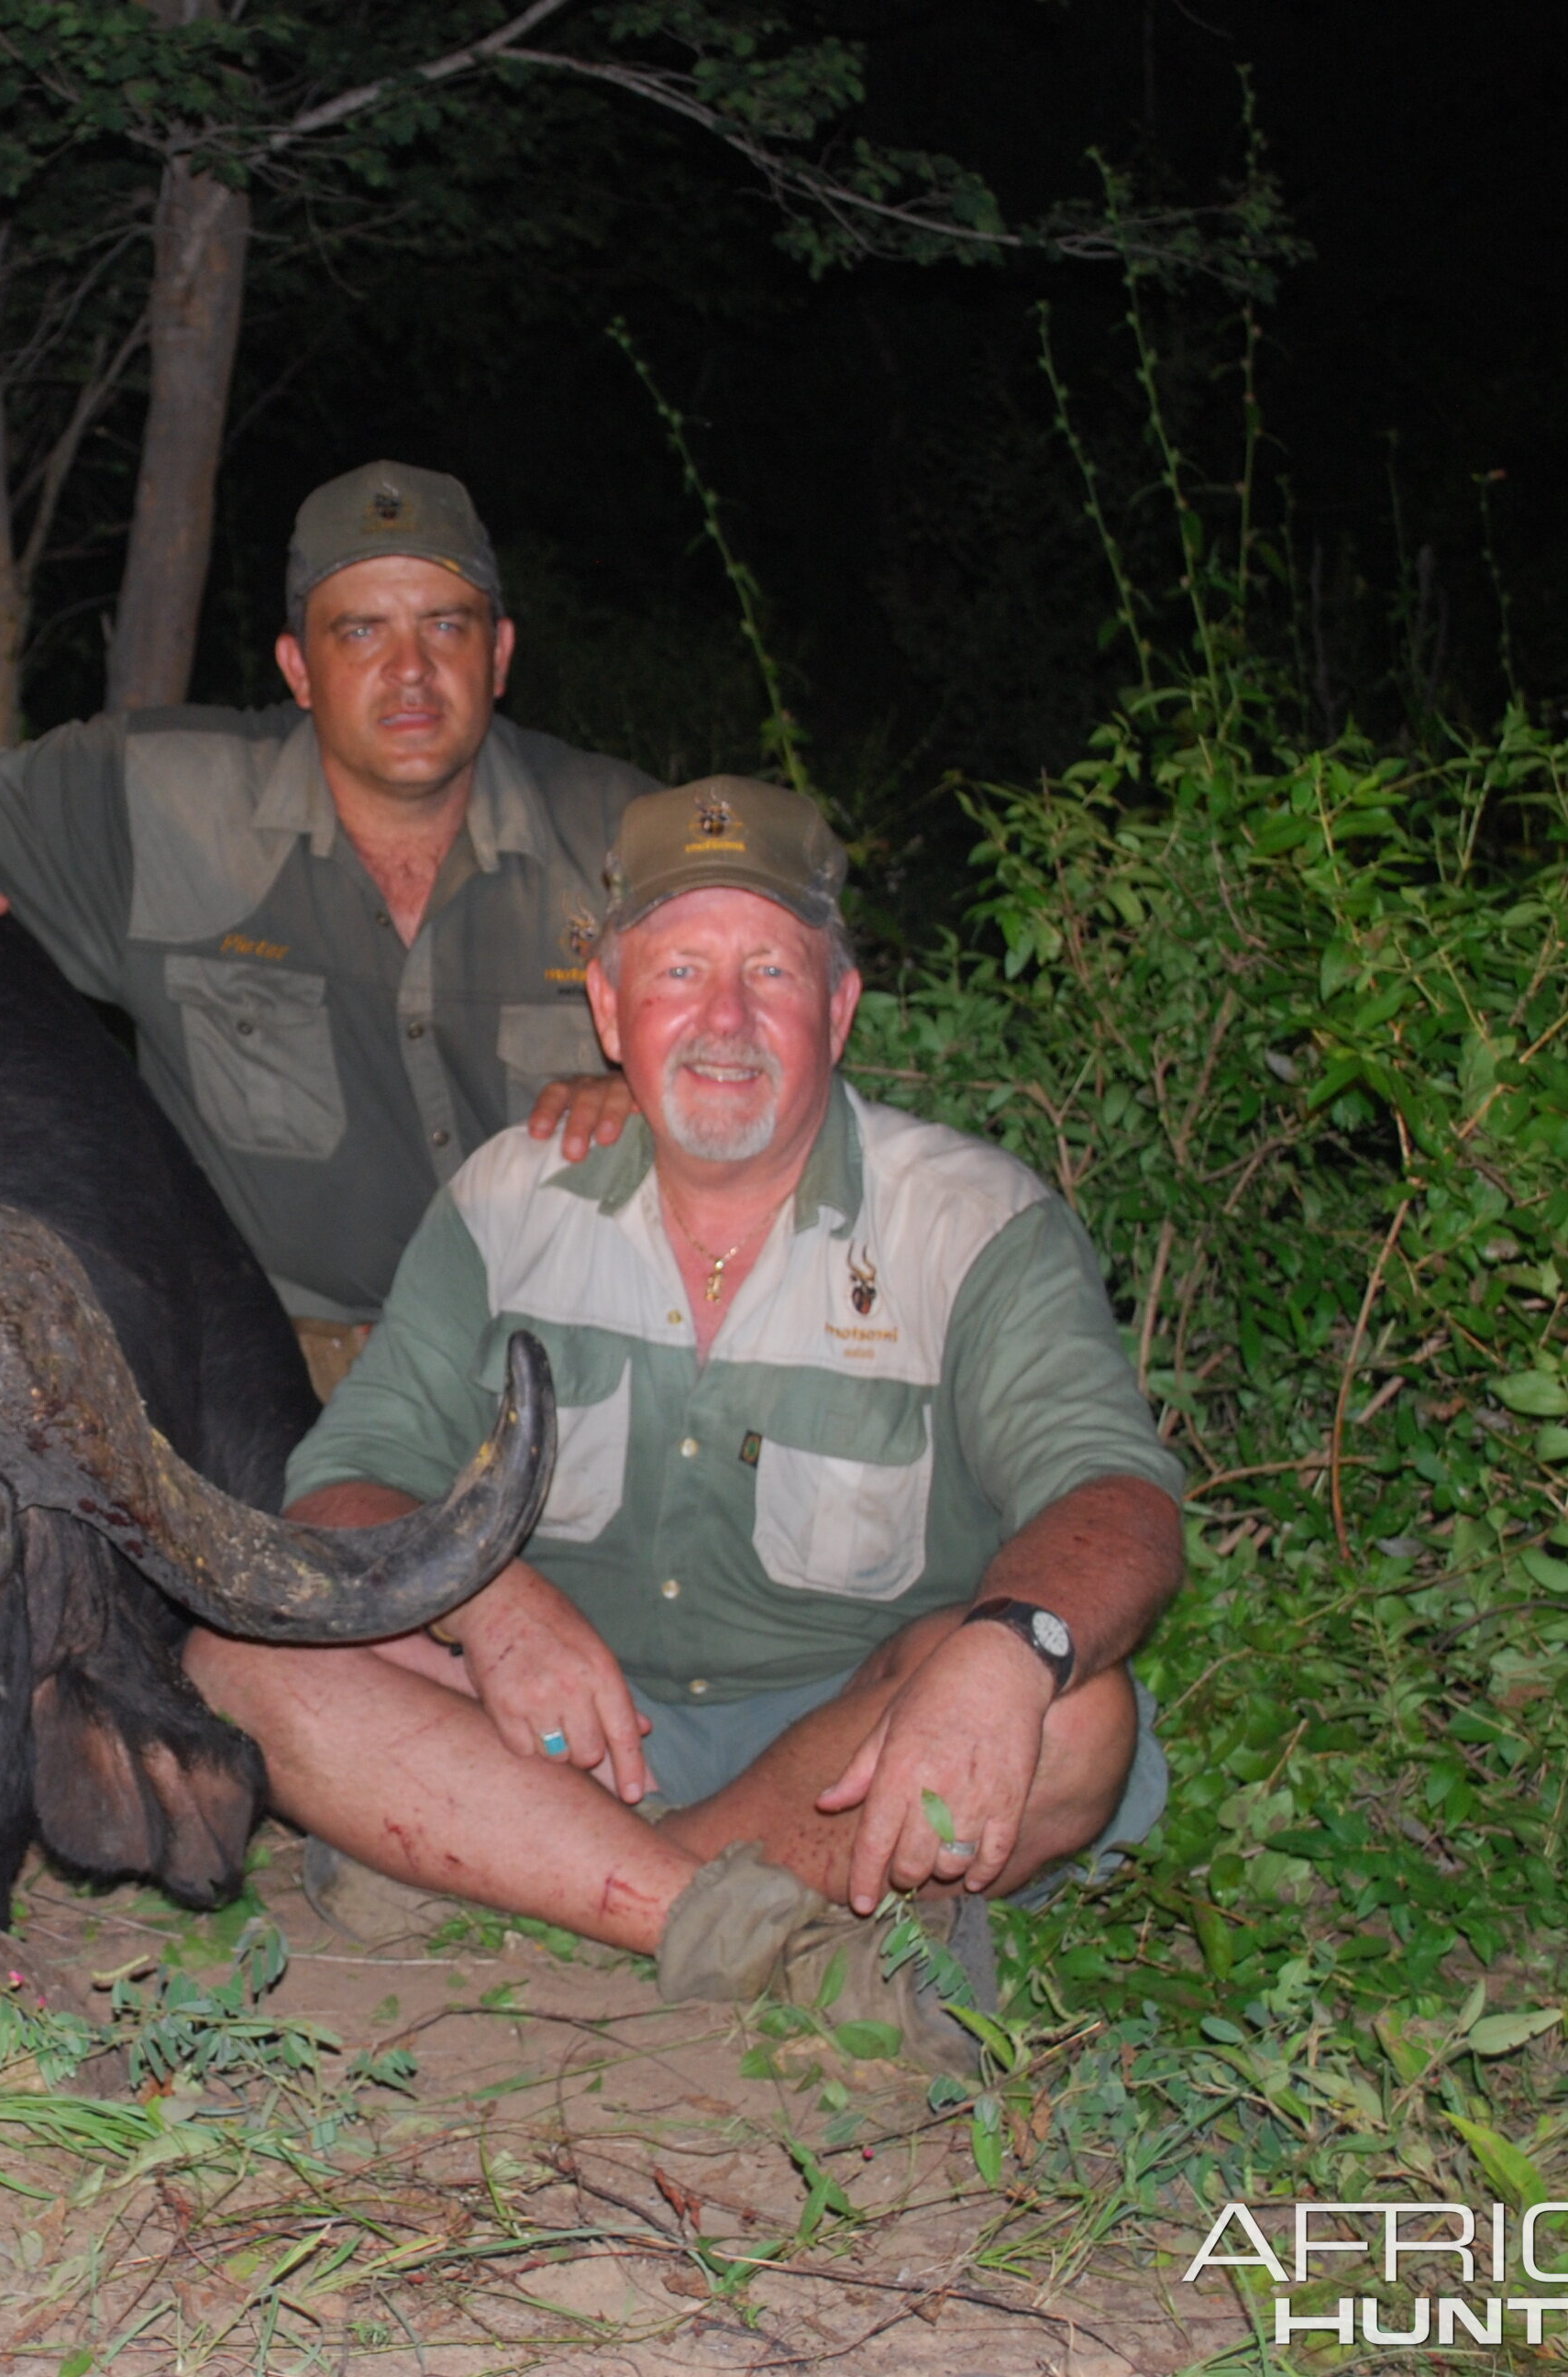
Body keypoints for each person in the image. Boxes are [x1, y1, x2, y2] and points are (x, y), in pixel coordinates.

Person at [182, 777, 1186, 2072]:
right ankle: (737, 1925)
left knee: (1073, 1715)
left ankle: (513, 1868)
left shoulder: (974, 1224)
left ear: (838, 1007)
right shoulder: (506, 1199)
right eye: (678, 972)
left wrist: (1005, 1654)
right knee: (242, 1659)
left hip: (835, 1737)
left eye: (770, 971)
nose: (723, 1020)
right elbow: (343, 1487)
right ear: (608, 1008)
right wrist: (487, 1600)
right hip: (550, 1736)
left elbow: (1117, 1499)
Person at [0, 462, 649, 1395]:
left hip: (562, 1358)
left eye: (444, 625)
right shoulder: (162, 805)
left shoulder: (618, 837)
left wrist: (655, 1102)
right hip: (272, 1382)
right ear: (298, 669)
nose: (409, 670)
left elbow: (779, 1067)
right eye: (360, 631)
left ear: (498, 656)